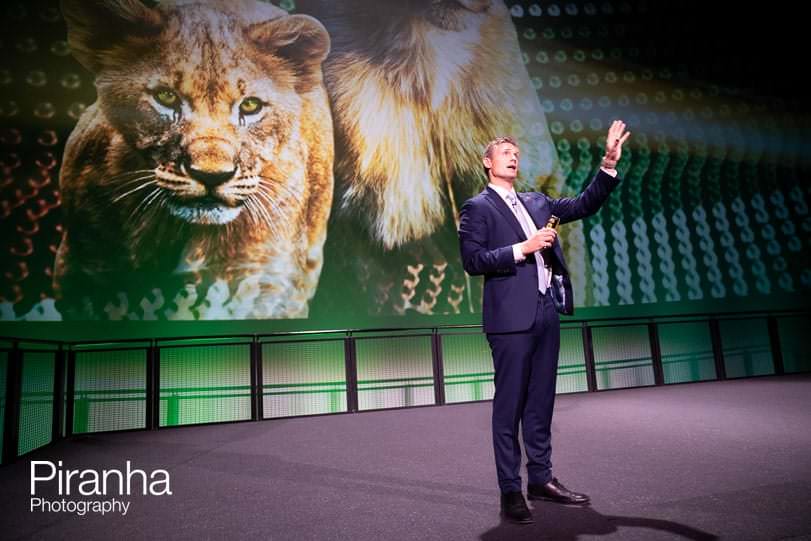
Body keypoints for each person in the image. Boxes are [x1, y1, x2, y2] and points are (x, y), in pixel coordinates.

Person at [458, 121, 630, 524]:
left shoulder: (537, 202)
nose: (513, 156)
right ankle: (509, 490)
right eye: (504, 153)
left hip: (545, 314)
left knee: (541, 403)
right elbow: (473, 261)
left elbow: (584, 205)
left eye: (516, 153)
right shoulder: (477, 207)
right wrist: (524, 247)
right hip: (510, 321)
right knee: (509, 407)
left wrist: (607, 164)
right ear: (487, 163)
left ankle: (541, 478)